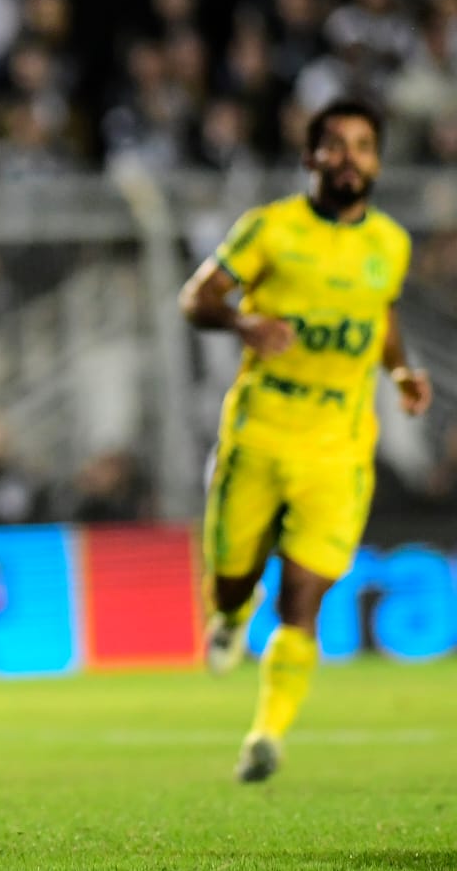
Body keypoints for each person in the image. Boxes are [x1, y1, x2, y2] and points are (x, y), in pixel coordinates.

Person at [178, 96, 432, 784]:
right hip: (258, 434)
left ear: (377, 160)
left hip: (340, 448)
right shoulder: (269, 230)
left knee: (303, 595)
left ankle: (266, 734)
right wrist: (242, 325)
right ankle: (231, 612)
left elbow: (379, 312)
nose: (350, 157)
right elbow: (195, 297)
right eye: (336, 144)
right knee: (231, 578)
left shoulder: (390, 243)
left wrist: (402, 368)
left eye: (363, 145)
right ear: (310, 157)